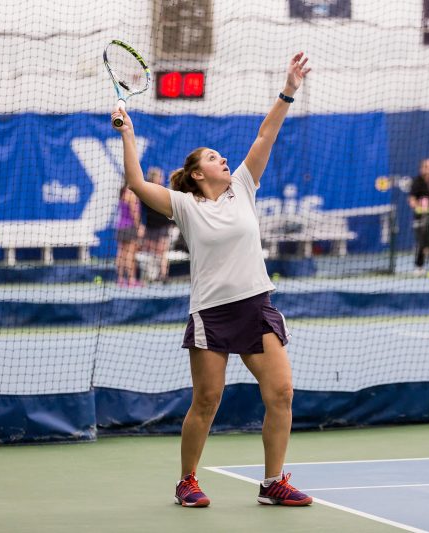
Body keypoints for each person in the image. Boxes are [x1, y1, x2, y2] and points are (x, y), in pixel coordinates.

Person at [111, 52, 313, 508]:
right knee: (207, 400)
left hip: (256, 305)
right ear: (198, 174)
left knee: (281, 392)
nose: (224, 159)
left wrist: (289, 89)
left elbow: (266, 134)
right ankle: (187, 480)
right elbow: (137, 182)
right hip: (212, 311)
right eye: (214, 158)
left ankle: (272, 482)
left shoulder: (243, 186)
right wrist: (129, 134)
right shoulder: (185, 206)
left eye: (223, 156)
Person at [140, 167, 175, 282]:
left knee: (162, 252)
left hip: (163, 226)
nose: (161, 179)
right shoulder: (146, 192)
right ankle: (152, 276)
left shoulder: (165, 191)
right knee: (152, 252)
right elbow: (143, 209)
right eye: (159, 176)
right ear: (153, 178)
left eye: (161, 177)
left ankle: (163, 276)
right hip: (151, 227)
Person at [115, 185, 144, 287]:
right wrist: (139, 227)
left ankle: (120, 279)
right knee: (130, 254)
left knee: (121, 253)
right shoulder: (131, 194)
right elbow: (134, 213)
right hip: (130, 227)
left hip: (120, 226)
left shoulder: (123, 193)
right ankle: (132, 280)